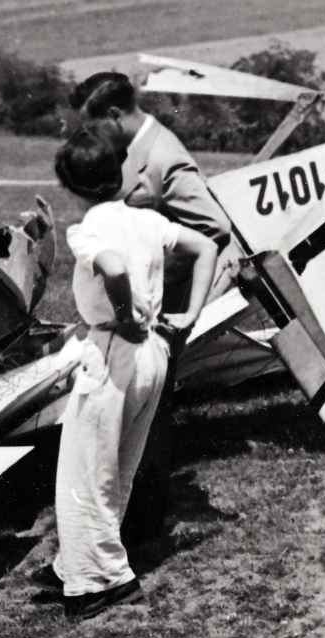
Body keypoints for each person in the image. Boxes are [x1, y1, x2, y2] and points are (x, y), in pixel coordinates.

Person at [45, 125, 218, 620]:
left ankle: (103, 581)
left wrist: (123, 315)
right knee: (118, 464)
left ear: (73, 188)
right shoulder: (145, 220)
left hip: (114, 352)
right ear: (121, 171)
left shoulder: (89, 228)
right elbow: (206, 247)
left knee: (85, 470)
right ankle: (76, 564)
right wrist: (189, 315)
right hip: (153, 358)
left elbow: (114, 269)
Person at [69, 71, 239, 541]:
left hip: (153, 314)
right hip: (127, 315)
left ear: (114, 115)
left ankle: (141, 522)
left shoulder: (163, 157)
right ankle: (121, 519)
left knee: (149, 413)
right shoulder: (132, 150)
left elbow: (214, 229)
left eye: (95, 125)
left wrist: (152, 265)